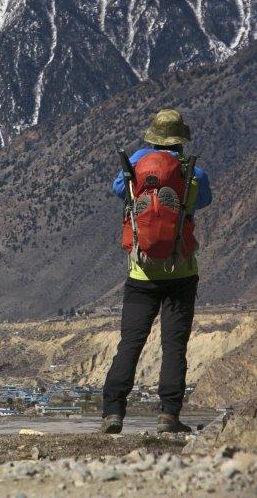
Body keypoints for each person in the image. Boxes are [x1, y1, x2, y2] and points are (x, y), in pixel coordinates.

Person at [101, 108, 212, 434]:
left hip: (141, 274)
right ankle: (168, 415)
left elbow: (117, 191)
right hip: (181, 273)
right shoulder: (194, 174)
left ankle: (113, 412)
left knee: (130, 343)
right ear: (180, 141)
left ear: (152, 137)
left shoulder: (132, 171)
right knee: (174, 345)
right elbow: (202, 202)